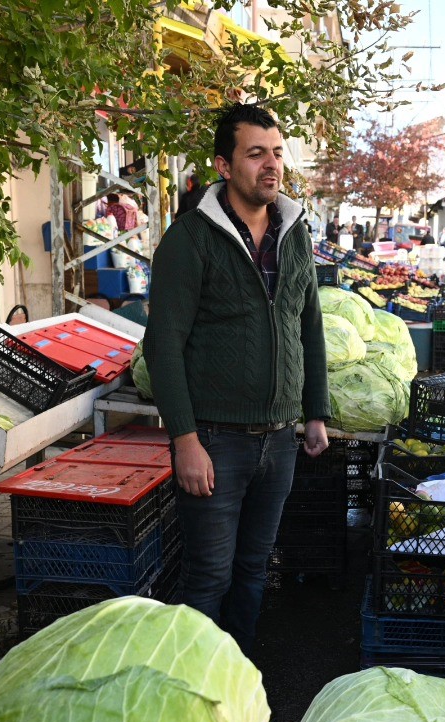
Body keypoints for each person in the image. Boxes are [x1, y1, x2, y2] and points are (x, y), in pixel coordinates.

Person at [143, 104, 331, 653]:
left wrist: (314, 411)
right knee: (208, 579)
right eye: (256, 154)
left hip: (279, 438)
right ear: (225, 166)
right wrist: (185, 439)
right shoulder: (190, 239)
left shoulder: (293, 231)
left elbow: (309, 322)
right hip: (215, 441)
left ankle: (238, 698)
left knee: (253, 573)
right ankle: (189, 705)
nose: (271, 165)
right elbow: (163, 345)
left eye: (276, 152)